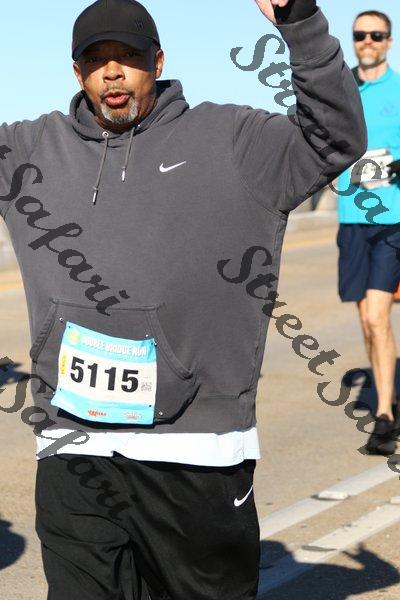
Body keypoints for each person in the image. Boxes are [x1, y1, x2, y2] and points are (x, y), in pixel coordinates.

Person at [0, 0, 366, 598]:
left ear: (159, 62)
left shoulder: (233, 140)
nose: (112, 71)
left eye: (128, 56)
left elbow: (335, 139)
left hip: (195, 451)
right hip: (73, 447)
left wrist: (300, 24)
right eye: (96, 59)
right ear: (77, 72)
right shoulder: (29, 150)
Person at [337, 10, 400, 457]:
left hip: (392, 219)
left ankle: (384, 417)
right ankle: (388, 393)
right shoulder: (343, 91)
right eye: (361, 35)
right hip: (351, 219)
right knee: (366, 320)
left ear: (389, 41)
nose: (368, 41)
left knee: (378, 316)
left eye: (376, 35)